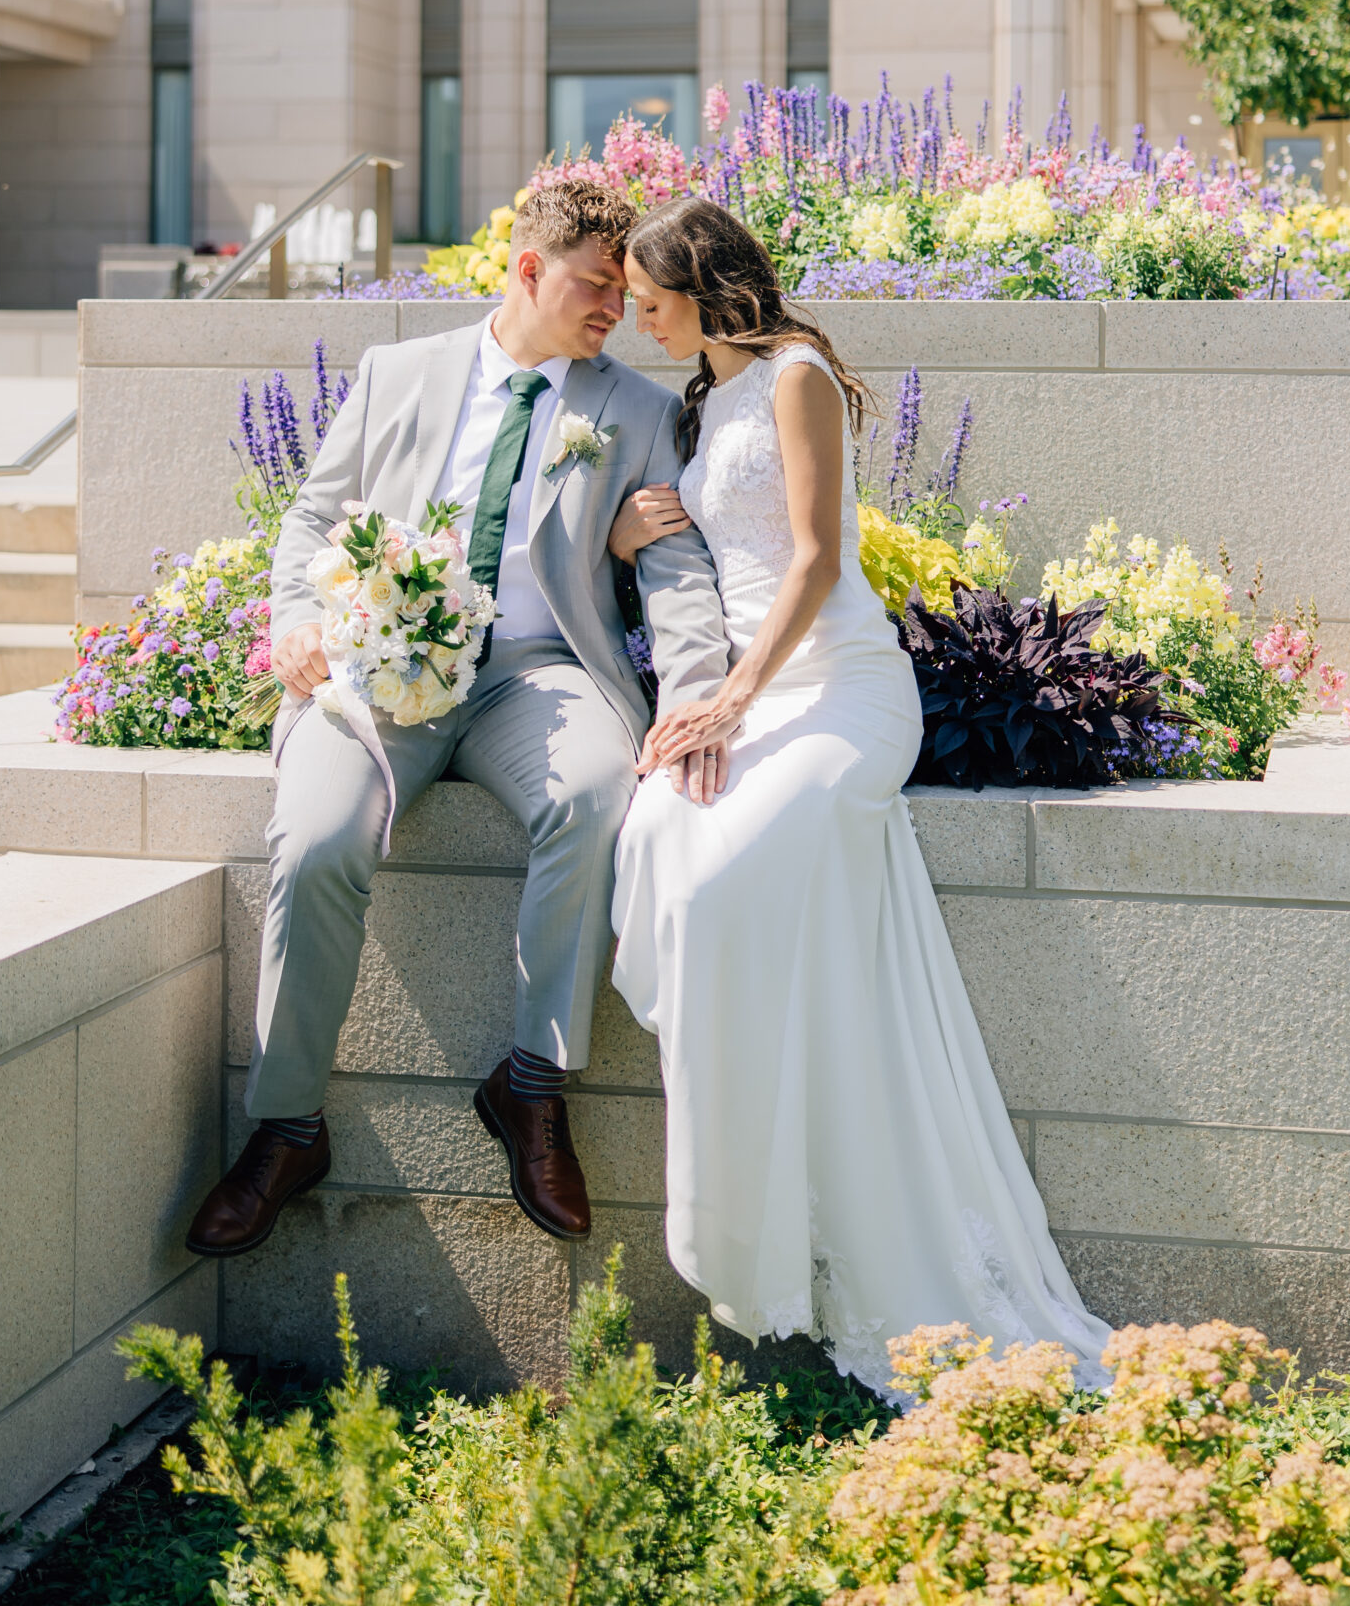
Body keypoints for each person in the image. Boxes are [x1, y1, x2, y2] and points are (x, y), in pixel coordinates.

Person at [607, 196, 1107, 1392]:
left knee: (723, 881)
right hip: (753, 693)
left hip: (841, 693)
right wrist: (629, 541)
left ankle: (785, 1208)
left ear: (702, 280)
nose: (638, 317)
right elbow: (702, 546)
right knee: (663, 838)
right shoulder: (701, 397)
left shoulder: (795, 377)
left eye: (652, 297)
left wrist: (730, 703)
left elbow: (820, 553)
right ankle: (747, 1197)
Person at [185, 177, 728, 1260]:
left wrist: (698, 693)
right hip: (383, 672)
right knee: (317, 836)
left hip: (539, 672)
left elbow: (674, 570)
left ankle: (531, 1085)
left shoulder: (634, 410)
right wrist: (297, 619)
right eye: (595, 285)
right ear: (528, 271)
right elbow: (311, 517)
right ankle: (288, 1128)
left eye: (624, 293)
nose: (614, 308)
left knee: (592, 792)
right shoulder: (399, 374)